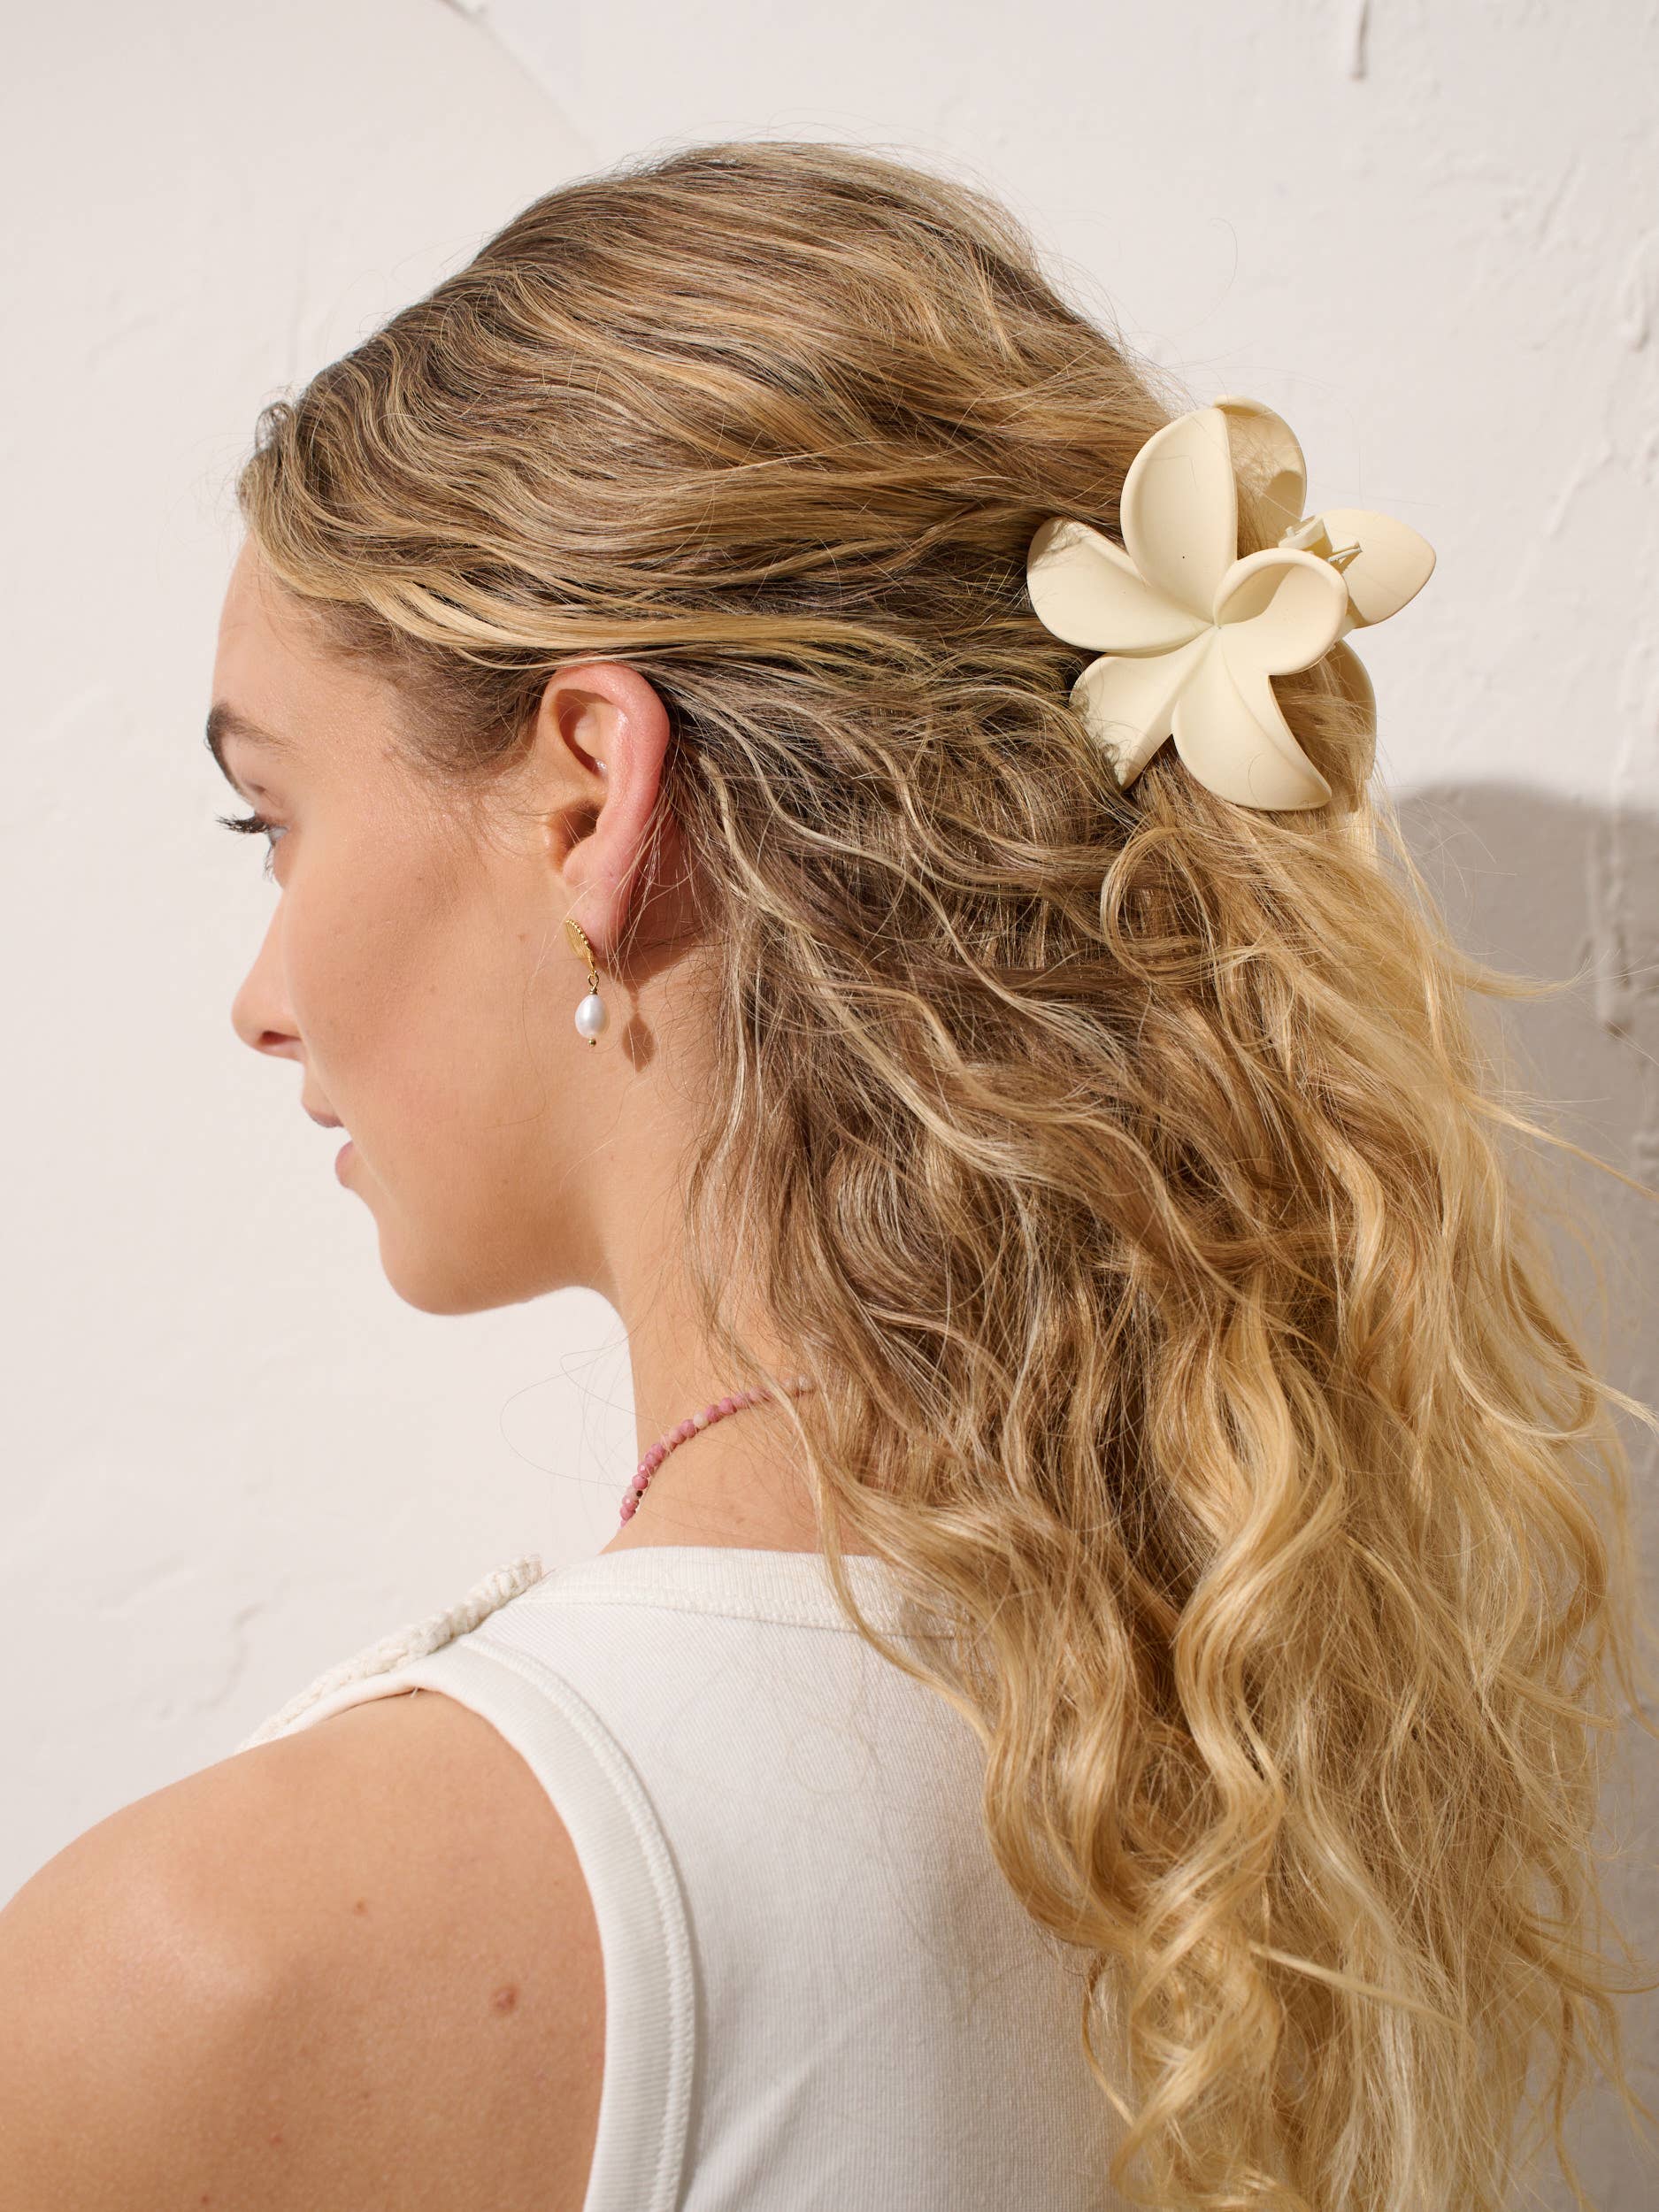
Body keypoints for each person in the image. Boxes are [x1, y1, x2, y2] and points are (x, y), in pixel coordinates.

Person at [2, 136, 1655, 2212]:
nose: (260, 995)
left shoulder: (222, 1970)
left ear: (588, 796)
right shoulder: (1244, 1786)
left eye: (275, 818)